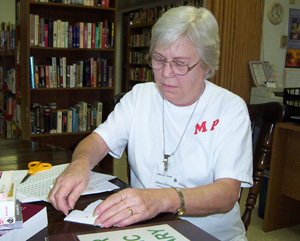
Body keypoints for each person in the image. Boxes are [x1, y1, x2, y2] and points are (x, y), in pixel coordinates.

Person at [49, 6, 253, 241]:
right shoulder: (140, 97)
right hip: (147, 230)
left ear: (206, 65)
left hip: (211, 235)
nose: (166, 73)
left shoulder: (229, 108)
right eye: (159, 59)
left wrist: (160, 199)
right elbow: (97, 141)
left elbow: (227, 194)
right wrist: (80, 164)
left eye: (180, 64)